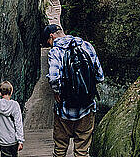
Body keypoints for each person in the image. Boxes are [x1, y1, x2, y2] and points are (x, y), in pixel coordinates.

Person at [43, 24, 104, 157]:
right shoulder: (86, 45)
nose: (49, 45)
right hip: (87, 108)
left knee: (60, 148)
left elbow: (54, 77)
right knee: (82, 150)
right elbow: (100, 75)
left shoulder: (55, 52)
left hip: (64, 109)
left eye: (48, 42)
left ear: (51, 36)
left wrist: (57, 92)